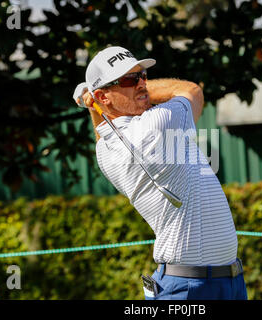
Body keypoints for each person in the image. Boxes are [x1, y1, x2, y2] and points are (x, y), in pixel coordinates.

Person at [74, 46, 247, 300]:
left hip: (214, 281)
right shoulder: (157, 124)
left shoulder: (105, 153)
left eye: (142, 75)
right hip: (190, 288)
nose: (142, 83)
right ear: (104, 96)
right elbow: (191, 91)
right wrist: (96, 98)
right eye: (129, 79)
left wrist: (94, 105)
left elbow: (104, 131)